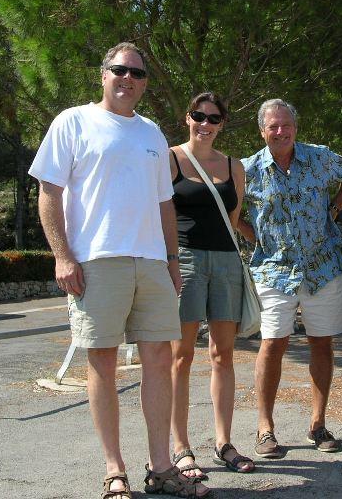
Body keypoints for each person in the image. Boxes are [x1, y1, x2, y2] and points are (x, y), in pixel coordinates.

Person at [29, 42, 209, 499]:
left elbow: (165, 204)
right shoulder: (72, 121)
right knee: (103, 362)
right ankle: (114, 471)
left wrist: (172, 261)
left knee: (159, 361)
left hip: (151, 262)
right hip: (96, 261)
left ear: (145, 82)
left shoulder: (150, 134)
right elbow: (49, 194)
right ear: (103, 74)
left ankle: (162, 467)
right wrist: (63, 256)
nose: (128, 78)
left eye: (137, 73)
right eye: (119, 70)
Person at [237, 98, 342, 458]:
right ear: (262, 131)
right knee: (273, 343)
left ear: (295, 126)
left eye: (286, 124)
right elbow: (229, 210)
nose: (280, 131)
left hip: (323, 267)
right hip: (274, 270)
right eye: (273, 126)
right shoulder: (247, 170)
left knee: (322, 343)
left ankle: (318, 424)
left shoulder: (320, 157)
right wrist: (252, 235)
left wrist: (335, 207)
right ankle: (265, 428)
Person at [168, 92, 255, 480]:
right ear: (187, 117)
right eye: (198, 116)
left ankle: (223, 442)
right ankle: (181, 447)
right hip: (184, 260)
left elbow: (232, 217)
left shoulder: (235, 165)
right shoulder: (169, 159)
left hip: (225, 262)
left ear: (222, 123)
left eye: (214, 118)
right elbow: (161, 213)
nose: (205, 124)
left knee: (223, 355)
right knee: (180, 356)